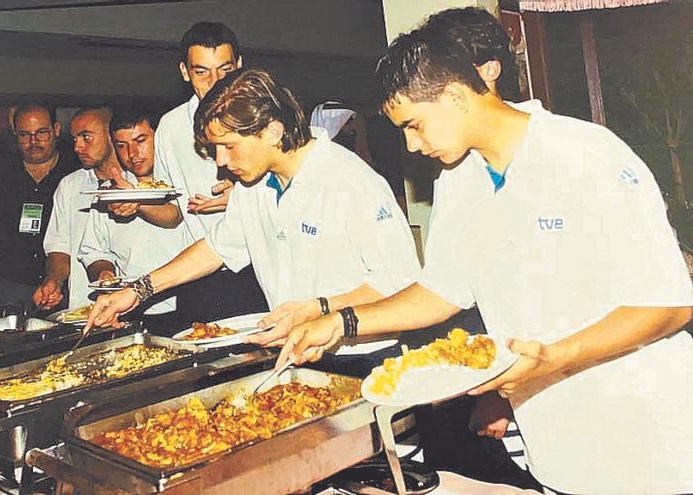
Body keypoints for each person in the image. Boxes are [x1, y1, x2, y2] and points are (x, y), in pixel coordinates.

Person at [281, 11, 693, 495]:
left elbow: (669, 303)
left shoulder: (585, 155)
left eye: (414, 125)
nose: (412, 145)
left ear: (456, 96)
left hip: (646, 441)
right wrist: (343, 322)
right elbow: (442, 290)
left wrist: (555, 358)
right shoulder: (460, 180)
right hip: (554, 445)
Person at [84, 69, 420, 359]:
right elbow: (216, 249)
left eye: (228, 146)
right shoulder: (252, 186)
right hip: (292, 350)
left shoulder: (350, 182)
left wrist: (319, 307)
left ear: (272, 131)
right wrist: (138, 290)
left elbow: (399, 283)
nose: (219, 161)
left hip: (361, 356)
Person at [146, 21, 268, 324]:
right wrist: (140, 203)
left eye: (225, 70)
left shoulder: (266, 119)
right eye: (202, 72)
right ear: (185, 72)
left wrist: (243, 197)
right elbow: (174, 212)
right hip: (199, 272)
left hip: (262, 266)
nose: (216, 82)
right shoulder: (170, 128)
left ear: (240, 66)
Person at [77, 106, 186, 336]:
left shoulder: (183, 184)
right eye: (122, 145)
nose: (133, 153)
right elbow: (93, 251)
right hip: (128, 310)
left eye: (141, 140)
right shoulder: (108, 194)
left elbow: (175, 216)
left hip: (185, 305)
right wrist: (105, 274)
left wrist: (137, 201)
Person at [0, 103, 77, 308]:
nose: (33, 142)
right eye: (25, 135)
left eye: (41, 133)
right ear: (15, 135)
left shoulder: (75, 176)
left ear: (56, 130)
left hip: (63, 289)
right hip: (7, 290)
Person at [33, 106, 123, 311]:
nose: (77, 147)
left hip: (136, 306)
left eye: (86, 137)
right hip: (84, 309)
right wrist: (54, 281)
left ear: (111, 135)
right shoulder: (70, 185)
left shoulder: (140, 185)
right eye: (74, 139)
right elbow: (59, 247)